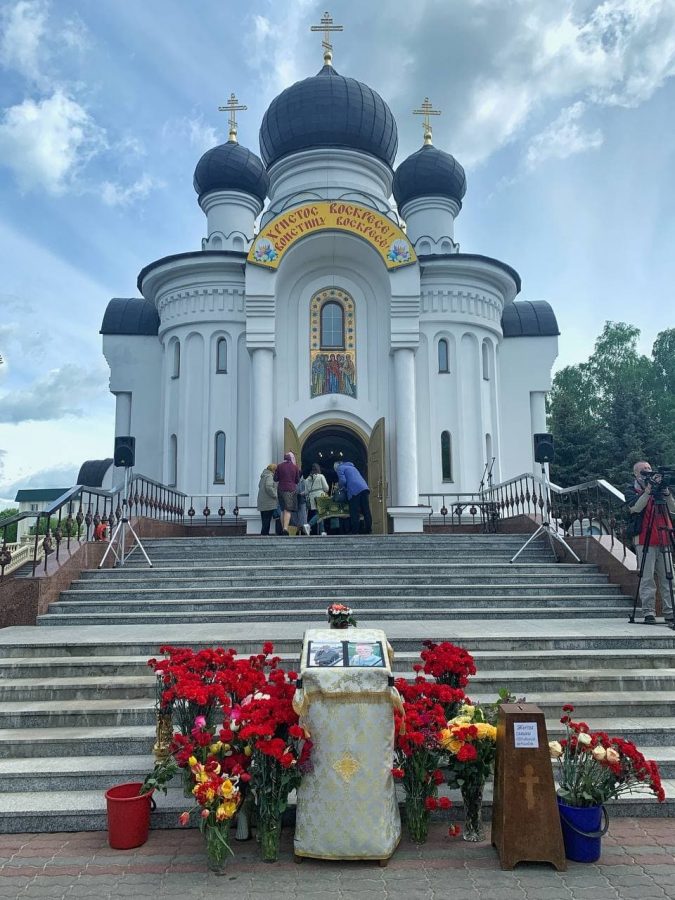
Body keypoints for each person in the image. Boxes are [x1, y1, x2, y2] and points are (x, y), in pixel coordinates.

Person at [625, 461, 675, 624]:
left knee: (669, 578)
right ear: (636, 474)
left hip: (664, 537)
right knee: (647, 578)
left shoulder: (661, 489)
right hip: (644, 538)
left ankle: (670, 611)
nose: (647, 471)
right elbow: (635, 508)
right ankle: (648, 612)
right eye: (643, 470)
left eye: (648, 468)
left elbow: (673, 508)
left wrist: (666, 492)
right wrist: (647, 492)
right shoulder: (632, 489)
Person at [334, 460, 372, 535]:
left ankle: (355, 531)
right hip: (364, 488)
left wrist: (340, 487)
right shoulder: (352, 467)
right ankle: (368, 529)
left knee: (354, 511)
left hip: (354, 490)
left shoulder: (340, 468)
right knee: (366, 510)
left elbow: (343, 481)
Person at [274, 451, 300, 535]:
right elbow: (297, 480)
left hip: (281, 489)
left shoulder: (279, 466)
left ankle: (283, 528)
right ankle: (285, 528)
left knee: (282, 510)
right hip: (291, 490)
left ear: (284, 459)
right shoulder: (295, 467)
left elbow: (275, 479)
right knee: (288, 510)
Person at [306, 462, 330, 535]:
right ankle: (308, 525)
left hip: (312, 498)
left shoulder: (307, 479)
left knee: (318, 513)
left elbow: (307, 492)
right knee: (321, 513)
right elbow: (326, 488)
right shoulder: (321, 476)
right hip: (320, 496)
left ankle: (322, 531)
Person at [256, 464, 279, 535]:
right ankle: (264, 537)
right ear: (273, 470)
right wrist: (275, 495)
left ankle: (264, 536)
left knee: (264, 521)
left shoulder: (263, 476)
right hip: (268, 503)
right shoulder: (269, 476)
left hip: (262, 503)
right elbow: (268, 487)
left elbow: (260, 486)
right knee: (266, 521)